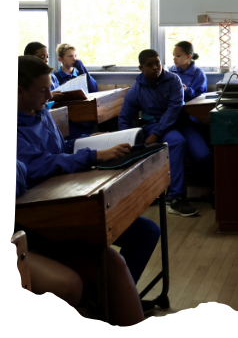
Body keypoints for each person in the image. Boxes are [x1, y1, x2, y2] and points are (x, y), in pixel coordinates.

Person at [15, 56, 160, 321]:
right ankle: (106, 299)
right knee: (106, 259)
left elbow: (61, 149)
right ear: (19, 91)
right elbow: (38, 166)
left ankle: (106, 299)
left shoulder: (41, 112)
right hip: (42, 215)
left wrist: (90, 142)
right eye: (42, 89)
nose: (50, 95)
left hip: (69, 194)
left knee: (146, 232)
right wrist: (92, 155)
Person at [118, 50, 213, 217]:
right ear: (141, 68)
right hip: (155, 125)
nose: (155, 67)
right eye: (149, 65)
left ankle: (216, 190)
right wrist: (124, 141)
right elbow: (124, 118)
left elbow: (174, 109)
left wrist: (156, 134)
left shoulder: (173, 80)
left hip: (179, 123)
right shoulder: (136, 89)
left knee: (203, 155)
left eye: (157, 63)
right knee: (177, 142)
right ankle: (177, 199)